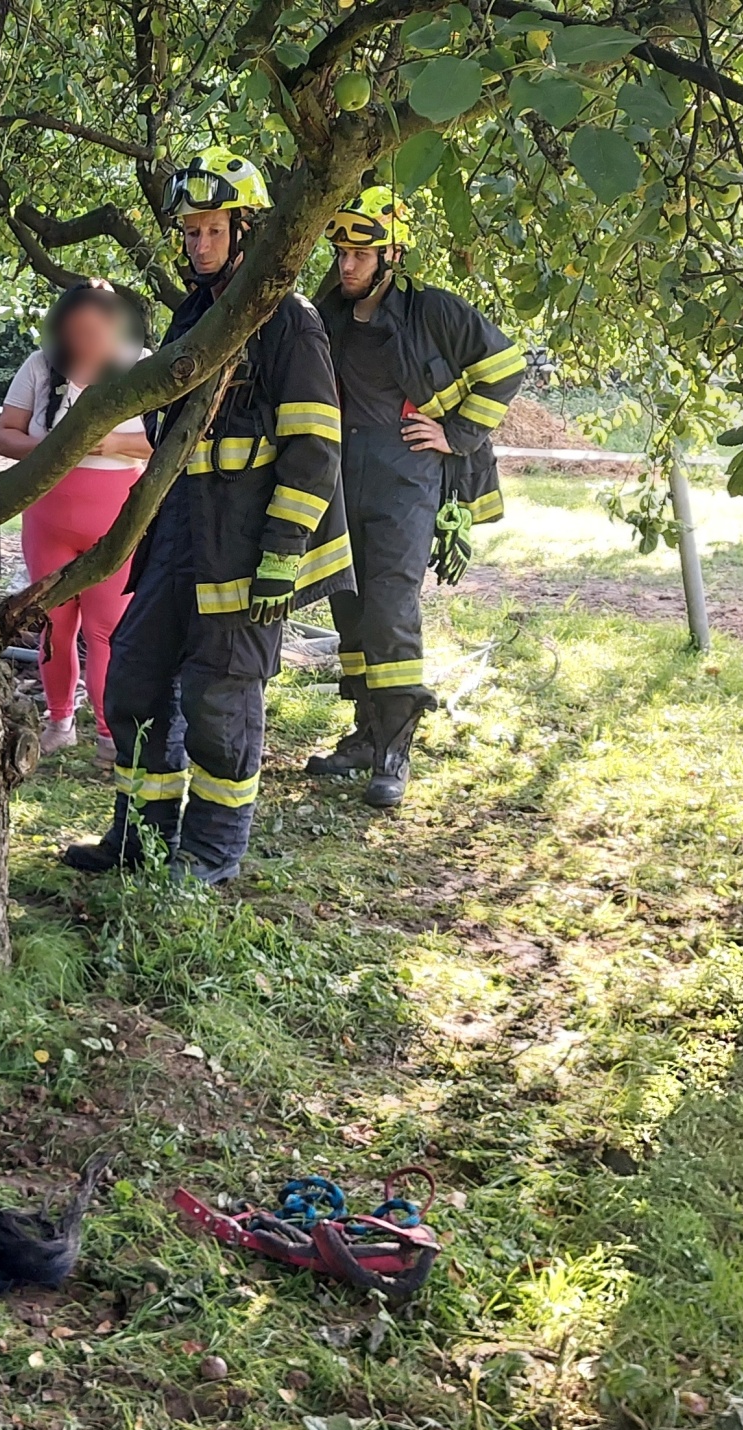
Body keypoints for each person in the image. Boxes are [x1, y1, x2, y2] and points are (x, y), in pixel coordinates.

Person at [62, 148, 351, 885]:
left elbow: (315, 449)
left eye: (213, 230)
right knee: (134, 682)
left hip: (246, 549)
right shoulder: (194, 315)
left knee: (220, 701)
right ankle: (141, 837)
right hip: (180, 536)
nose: (198, 245)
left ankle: (211, 852)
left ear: (247, 230)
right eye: (191, 232)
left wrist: (282, 553)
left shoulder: (289, 322)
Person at [310, 186, 523, 806]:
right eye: (341, 253)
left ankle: (395, 751)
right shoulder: (326, 310)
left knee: (390, 609)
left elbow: (505, 367)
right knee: (349, 607)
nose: (348, 265)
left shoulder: (432, 310)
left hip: (407, 479)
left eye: (361, 254)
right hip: (341, 476)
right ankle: (365, 734)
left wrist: (455, 435)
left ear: (392, 255)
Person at [0, 279, 154, 758]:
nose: (84, 341)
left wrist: (112, 443)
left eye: (94, 331)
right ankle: (60, 719)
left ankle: (110, 732)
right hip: (48, 519)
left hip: (117, 519)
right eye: (75, 331)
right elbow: (6, 435)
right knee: (55, 624)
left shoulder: (143, 366)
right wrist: (52, 447)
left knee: (107, 629)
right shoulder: (40, 365)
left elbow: (169, 440)